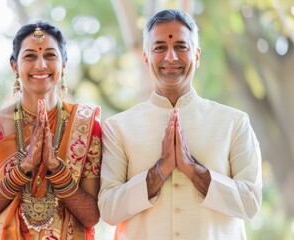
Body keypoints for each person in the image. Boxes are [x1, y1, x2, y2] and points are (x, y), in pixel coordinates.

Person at [98, 9, 262, 240]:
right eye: (160, 47)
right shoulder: (118, 127)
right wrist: (159, 171)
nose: (171, 57)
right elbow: (109, 209)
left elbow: (251, 203)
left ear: (197, 55)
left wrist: (193, 170)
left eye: (181, 47)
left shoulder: (233, 122)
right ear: (146, 58)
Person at [0, 21, 102, 240]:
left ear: (64, 65)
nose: (41, 65)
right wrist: (23, 169)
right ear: (14, 66)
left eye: (51, 55)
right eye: (30, 56)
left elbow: (92, 216)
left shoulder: (85, 125)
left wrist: (56, 167)